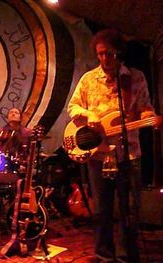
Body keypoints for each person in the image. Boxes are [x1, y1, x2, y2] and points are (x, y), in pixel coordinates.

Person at [67, 28, 157, 263]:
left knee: (129, 210)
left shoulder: (135, 78)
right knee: (101, 210)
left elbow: (145, 106)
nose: (104, 59)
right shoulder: (88, 79)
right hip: (98, 155)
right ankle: (103, 255)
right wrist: (89, 116)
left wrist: (150, 117)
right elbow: (72, 107)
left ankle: (126, 255)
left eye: (108, 54)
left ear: (119, 51)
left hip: (129, 154)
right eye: (100, 54)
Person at [0, 108, 32, 185]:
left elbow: (30, 151)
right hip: (2, 164)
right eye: (11, 113)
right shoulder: (1, 132)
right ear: (7, 117)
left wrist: (25, 163)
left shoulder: (27, 133)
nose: (13, 114)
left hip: (21, 164)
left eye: (16, 113)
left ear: (20, 118)